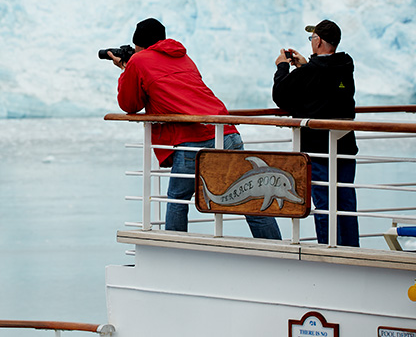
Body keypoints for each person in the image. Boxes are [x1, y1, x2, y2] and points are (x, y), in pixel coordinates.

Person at [110, 18, 281, 240]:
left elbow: (130, 104)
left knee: (177, 199)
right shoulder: (182, 56)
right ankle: (273, 246)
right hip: (226, 130)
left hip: (193, 139)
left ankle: (175, 254)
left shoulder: (139, 60)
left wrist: (125, 69)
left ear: (139, 45)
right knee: (251, 199)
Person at [272, 19, 359, 247]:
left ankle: (329, 250)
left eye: (312, 38)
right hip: (345, 147)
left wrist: (283, 66)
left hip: (317, 149)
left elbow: (281, 95)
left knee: (325, 203)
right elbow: (323, 87)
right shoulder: (345, 66)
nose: (311, 42)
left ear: (318, 41)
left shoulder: (311, 72)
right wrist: (303, 65)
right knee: (345, 202)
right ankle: (351, 249)